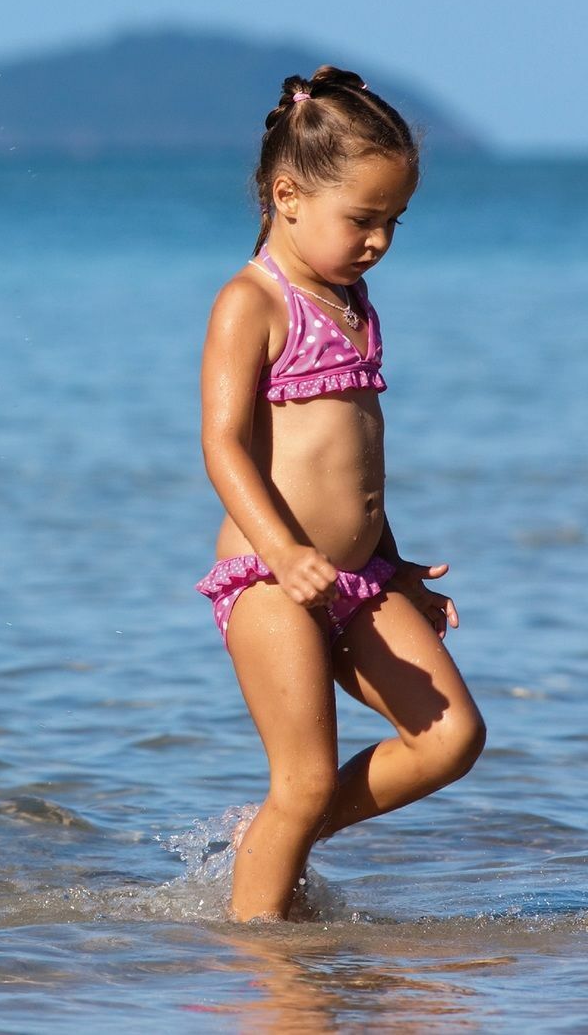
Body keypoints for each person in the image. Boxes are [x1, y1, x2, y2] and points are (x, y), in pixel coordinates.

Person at [197, 67, 484, 920]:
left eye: (394, 221)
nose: (380, 241)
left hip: (357, 579)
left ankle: (281, 834)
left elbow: (354, 459)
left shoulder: (353, 301)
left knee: (450, 738)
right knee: (305, 775)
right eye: (362, 219)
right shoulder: (253, 301)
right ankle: (264, 960)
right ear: (288, 194)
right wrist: (284, 553)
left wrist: (392, 565)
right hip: (270, 575)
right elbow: (221, 444)